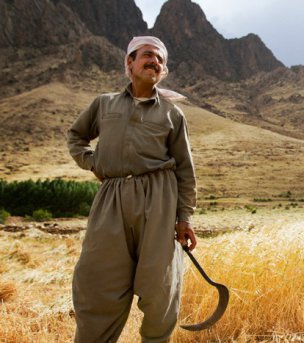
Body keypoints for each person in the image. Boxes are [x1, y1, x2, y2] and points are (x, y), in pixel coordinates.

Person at [67, 36, 197, 343]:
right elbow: (76, 136)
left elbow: (184, 169)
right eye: (148, 56)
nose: (155, 62)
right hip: (111, 201)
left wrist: (184, 217)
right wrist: (93, 163)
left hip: (159, 202)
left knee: (159, 286)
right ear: (130, 61)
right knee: (97, 279)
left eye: (160, 60)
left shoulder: (172, 114)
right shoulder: (104, 104)